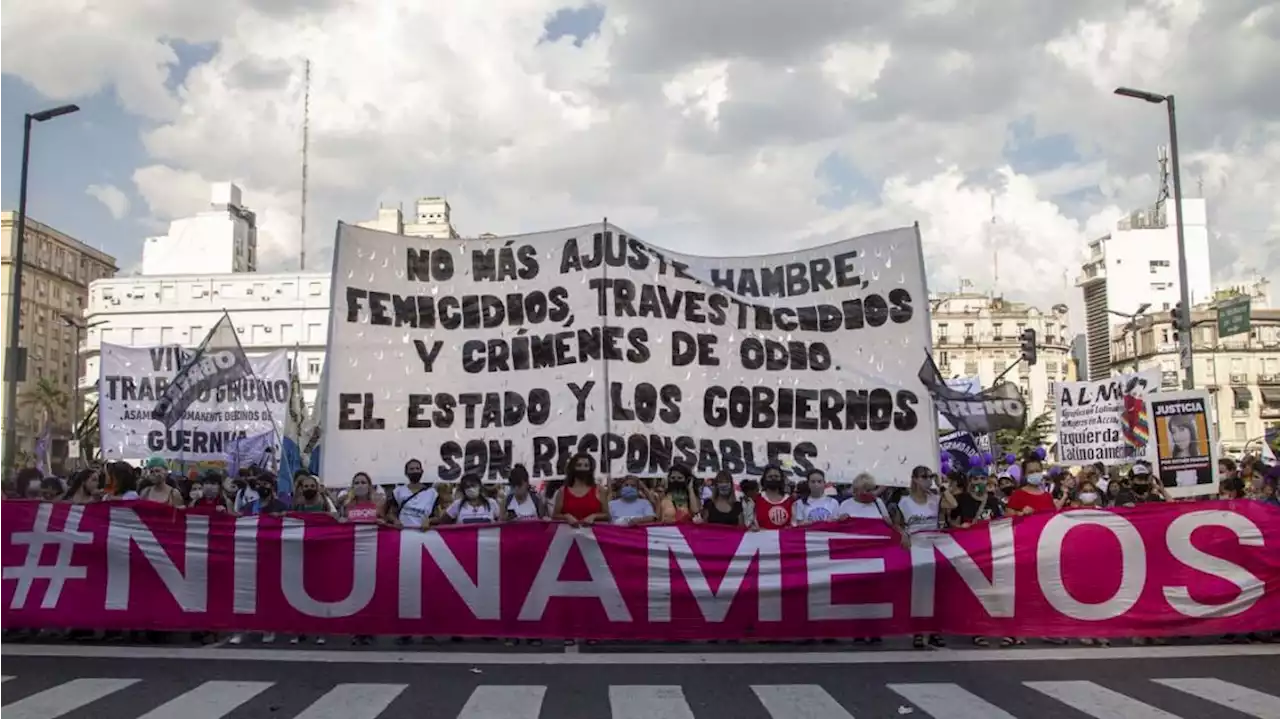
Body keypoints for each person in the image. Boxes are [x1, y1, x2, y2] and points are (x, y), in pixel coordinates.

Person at [897, 465, 954, 650]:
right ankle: (919, 632)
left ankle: (935, 630)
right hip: (915, 549)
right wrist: (903, 534)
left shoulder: (935, 499)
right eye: (923, 476)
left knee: (937, 592)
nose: (927, 479)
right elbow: (896, 523)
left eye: (929, 476)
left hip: (934, 547)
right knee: (919, 593)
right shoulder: (904, 502)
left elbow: (953, 505)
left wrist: (941, 486)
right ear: (914, 479)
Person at [552, 452, 609, 526]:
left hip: (594, 535)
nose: (583, 468)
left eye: (586, 465)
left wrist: (594, 516)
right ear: (572, 468)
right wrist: (566, 516)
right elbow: (555, 516)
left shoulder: (599, 490)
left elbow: (607, 515)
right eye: (579, 465)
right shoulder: (563, 491)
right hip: (569, 535)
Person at [383, 458, 439, 529]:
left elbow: (438, 517)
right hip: (403, 533)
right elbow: (390, 514)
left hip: (424, 534)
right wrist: (395, 520)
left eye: (417, 468)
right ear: (406, 473)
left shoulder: (432, 493)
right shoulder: (398, 491)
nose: (415, 471)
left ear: (422, 471)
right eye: (411, 469)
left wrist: (429, 521)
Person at [745, 465, 794, 530]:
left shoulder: (790, 500)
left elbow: (795, 524)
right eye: (770, 477)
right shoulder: (755, 499)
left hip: (785, 538)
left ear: (781, 478)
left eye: (776, 476)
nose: (773, 478)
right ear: (764, 479)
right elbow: (748, 524)